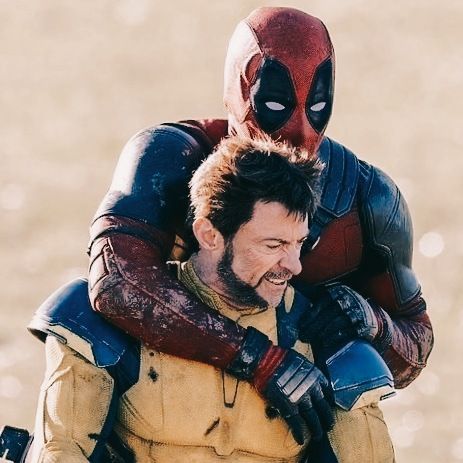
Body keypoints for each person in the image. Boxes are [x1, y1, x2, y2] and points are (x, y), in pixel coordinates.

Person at [85, 4, 433, 443]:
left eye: (318, 106)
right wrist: (256, 358)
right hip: (157, 415)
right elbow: (114, 282)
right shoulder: (169, 156)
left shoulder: (367, 197)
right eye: (274, 105)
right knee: (74, 315)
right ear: (238, 88)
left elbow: (415, 347)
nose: (300, 131)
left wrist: (368, 320)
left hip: (286, 433)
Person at [27, 136, 394, 462]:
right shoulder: (103, 324)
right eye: (273, 245)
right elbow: (61, 453)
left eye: (298, 243)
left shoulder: (325, 340)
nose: (294, 265)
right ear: (210, 234)